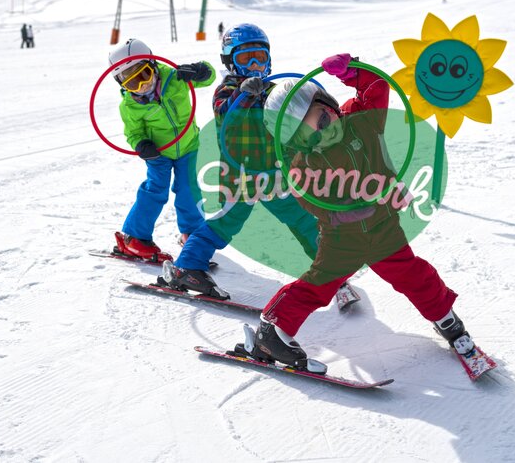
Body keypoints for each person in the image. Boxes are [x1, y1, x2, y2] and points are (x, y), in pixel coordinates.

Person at [233, 53, 471, 374]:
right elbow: (310, 200)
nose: (322, 134)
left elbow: (376, 87)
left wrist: (351, 71)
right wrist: (343, 212)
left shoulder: (362, 121)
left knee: (414, 274)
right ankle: (271, 333)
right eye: (308, 137)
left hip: (383, 228)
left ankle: (445, 317)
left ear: (329, 106)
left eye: (323, 121)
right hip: (342, 237)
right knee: (320, 284)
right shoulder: (302, 163)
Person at [160, 23, 323, 301]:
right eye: (246, 59)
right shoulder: (227, 91)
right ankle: (187, 266)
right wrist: (243, 93)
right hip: (240, 178)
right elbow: (225, 114)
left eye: (261, 56)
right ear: (230, 63)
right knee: (224, 225)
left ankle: (328, 268)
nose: (255, 65)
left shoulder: (276, 91)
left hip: (275, 176)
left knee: (304, 221)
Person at [108, 38, 217, 271]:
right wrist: (141, 144)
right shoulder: (129, 105)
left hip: (187, 145)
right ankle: (134, 237)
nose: (141, 86)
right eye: (131, 83)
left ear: (154, 65)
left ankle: (194, 235)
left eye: (143, 75)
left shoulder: (174, 78)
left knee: (189, 189)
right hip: (158, 154)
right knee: (155, 189)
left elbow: (209, 78)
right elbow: (133, 133)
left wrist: (200, 71)